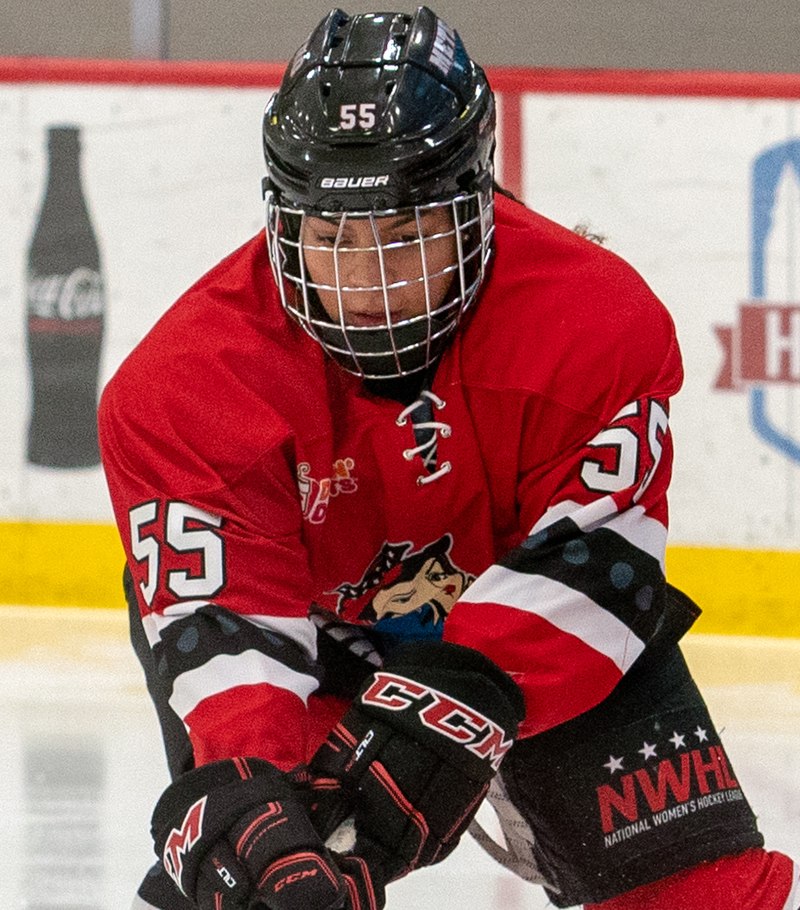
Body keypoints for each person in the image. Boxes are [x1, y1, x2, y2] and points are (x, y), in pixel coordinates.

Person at [99, 6, 798, 910]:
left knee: (703, 894)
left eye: (402, 236)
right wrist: (250, 800)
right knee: (262, 874)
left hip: (533, 637)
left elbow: (599, 567)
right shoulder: (185, 387)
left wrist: (456, 708)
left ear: (478, 208)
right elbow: (229, 630)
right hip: (313, 641)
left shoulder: (593, 322)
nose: (362, 285)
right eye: (332, 236)